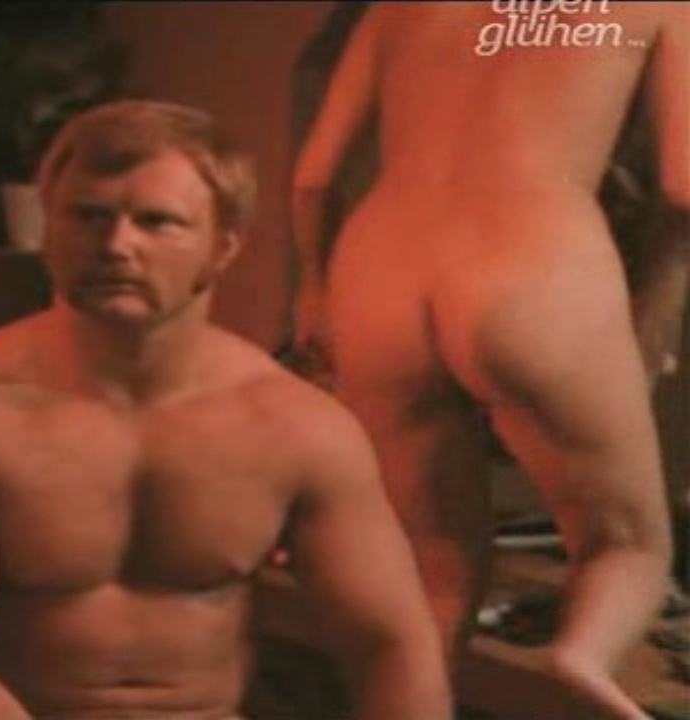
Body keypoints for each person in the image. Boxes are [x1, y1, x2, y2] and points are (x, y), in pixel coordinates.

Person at [0, 99, 451, 720]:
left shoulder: (295, 428)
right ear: (49, 233)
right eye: (88, 216)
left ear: (223, 247)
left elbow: (392, 643)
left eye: (157, 222)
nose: (116, 245)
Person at [291, 3, 684, 717]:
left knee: (432, 557)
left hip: (379, 266)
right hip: (530, 251)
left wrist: (314, 288)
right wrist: (655, 311)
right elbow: (685, 186)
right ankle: (582, 654)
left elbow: (315, 179)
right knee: (625, 545)